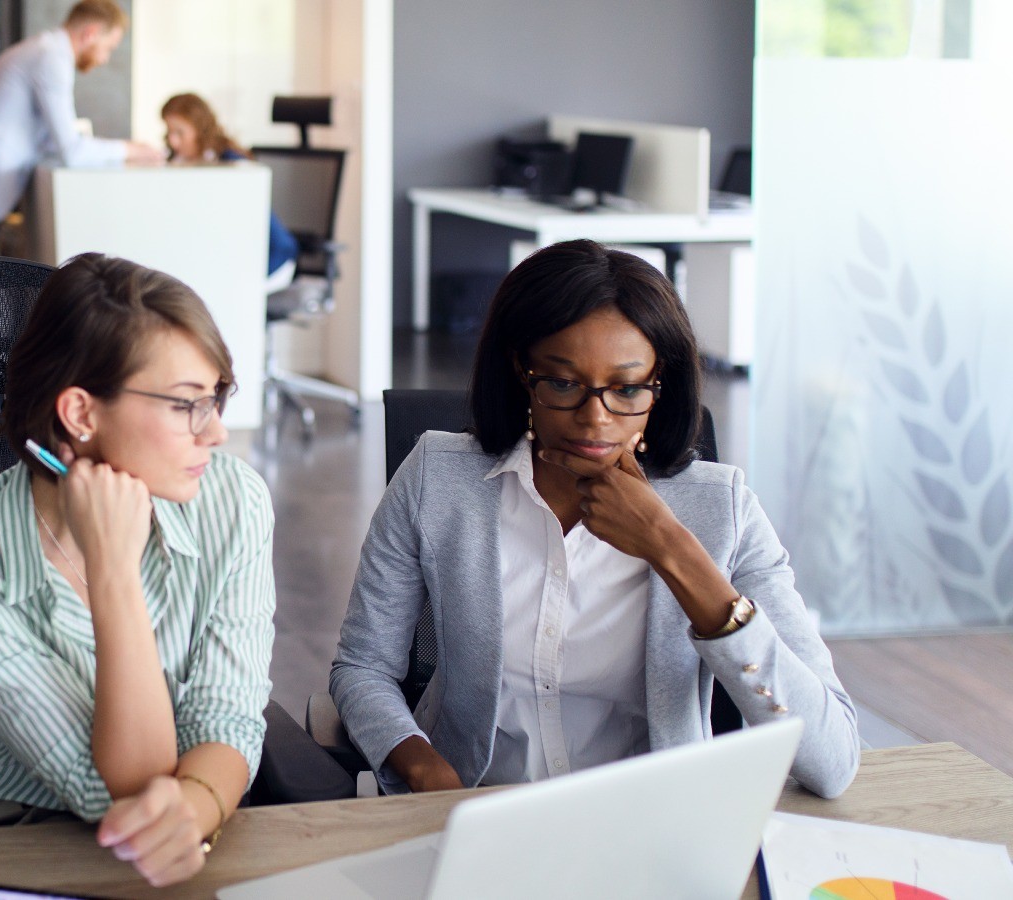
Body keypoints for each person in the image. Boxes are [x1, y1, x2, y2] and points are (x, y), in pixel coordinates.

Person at [331, 239, 861, 799]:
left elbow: (832, 761)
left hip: (652, 828)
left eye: (627, 388)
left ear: (661, 386)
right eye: (563, 383)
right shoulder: (437, 479)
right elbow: (362, 667)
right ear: (522, 372)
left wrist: (670, 548)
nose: (594, 418)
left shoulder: (722, 509)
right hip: (473, 808)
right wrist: (425, 769)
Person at [0, 254, 275, 889]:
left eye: (218, 396)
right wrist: (114, 573)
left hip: (170, 832)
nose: (216, 432)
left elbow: (229, 717)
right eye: (187, 404)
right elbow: (121, 790)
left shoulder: (233, 501)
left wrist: (194, 808)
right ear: (81, 414)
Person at [0, 0, 163, 264]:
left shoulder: (46, 51)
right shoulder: (51, 57)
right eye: (108, 48)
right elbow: (72, 151)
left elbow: (54, 142)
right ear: (90, 33)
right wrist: (131, 150)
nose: (104, 59)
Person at [160, 93, 299, 293]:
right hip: (228, 260)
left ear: (199, 129)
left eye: (180, 133)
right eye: (169, 132)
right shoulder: (181, 163)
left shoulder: (232, 165)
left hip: (271, 261)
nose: (173, 141)